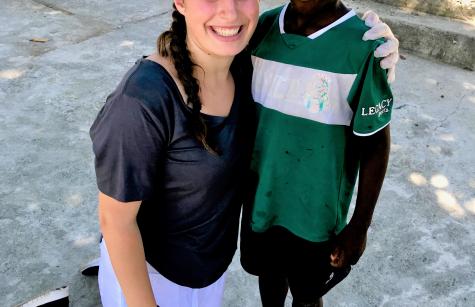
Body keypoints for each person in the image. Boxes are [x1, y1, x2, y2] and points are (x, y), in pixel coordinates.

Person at [88, 1, 399, 307]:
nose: (229, 11)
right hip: (153, 278)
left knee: (305, 291)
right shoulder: (144, 98)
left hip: (214, 272)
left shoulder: (245, 60)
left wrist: (373, 54)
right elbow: (116, 221)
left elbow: (366, 134)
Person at [239, 1, 395, 307]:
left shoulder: (363, 46)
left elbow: (376, 144)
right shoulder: (261, 29)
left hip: (316, 215)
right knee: (269, 276)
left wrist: (359, 225)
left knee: (307, 293)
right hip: (261, 198)